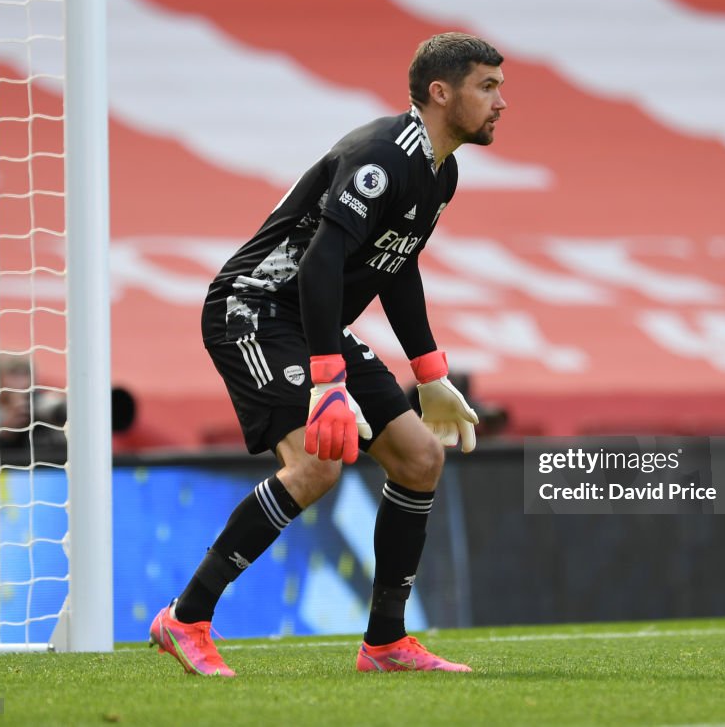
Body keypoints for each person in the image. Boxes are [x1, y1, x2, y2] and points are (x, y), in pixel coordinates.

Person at [149, 33, 507, 677]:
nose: (500, 101)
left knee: (421, 458)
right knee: (317, 467)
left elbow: (397, 269)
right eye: (488, 86)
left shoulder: (440, 173)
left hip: (309, 321)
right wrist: (327, 381)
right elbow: (321, 263)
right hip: (254, 310)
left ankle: (386, 643)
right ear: (440, 92)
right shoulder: (380, 157)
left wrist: (431, 374)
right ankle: (186, 617)